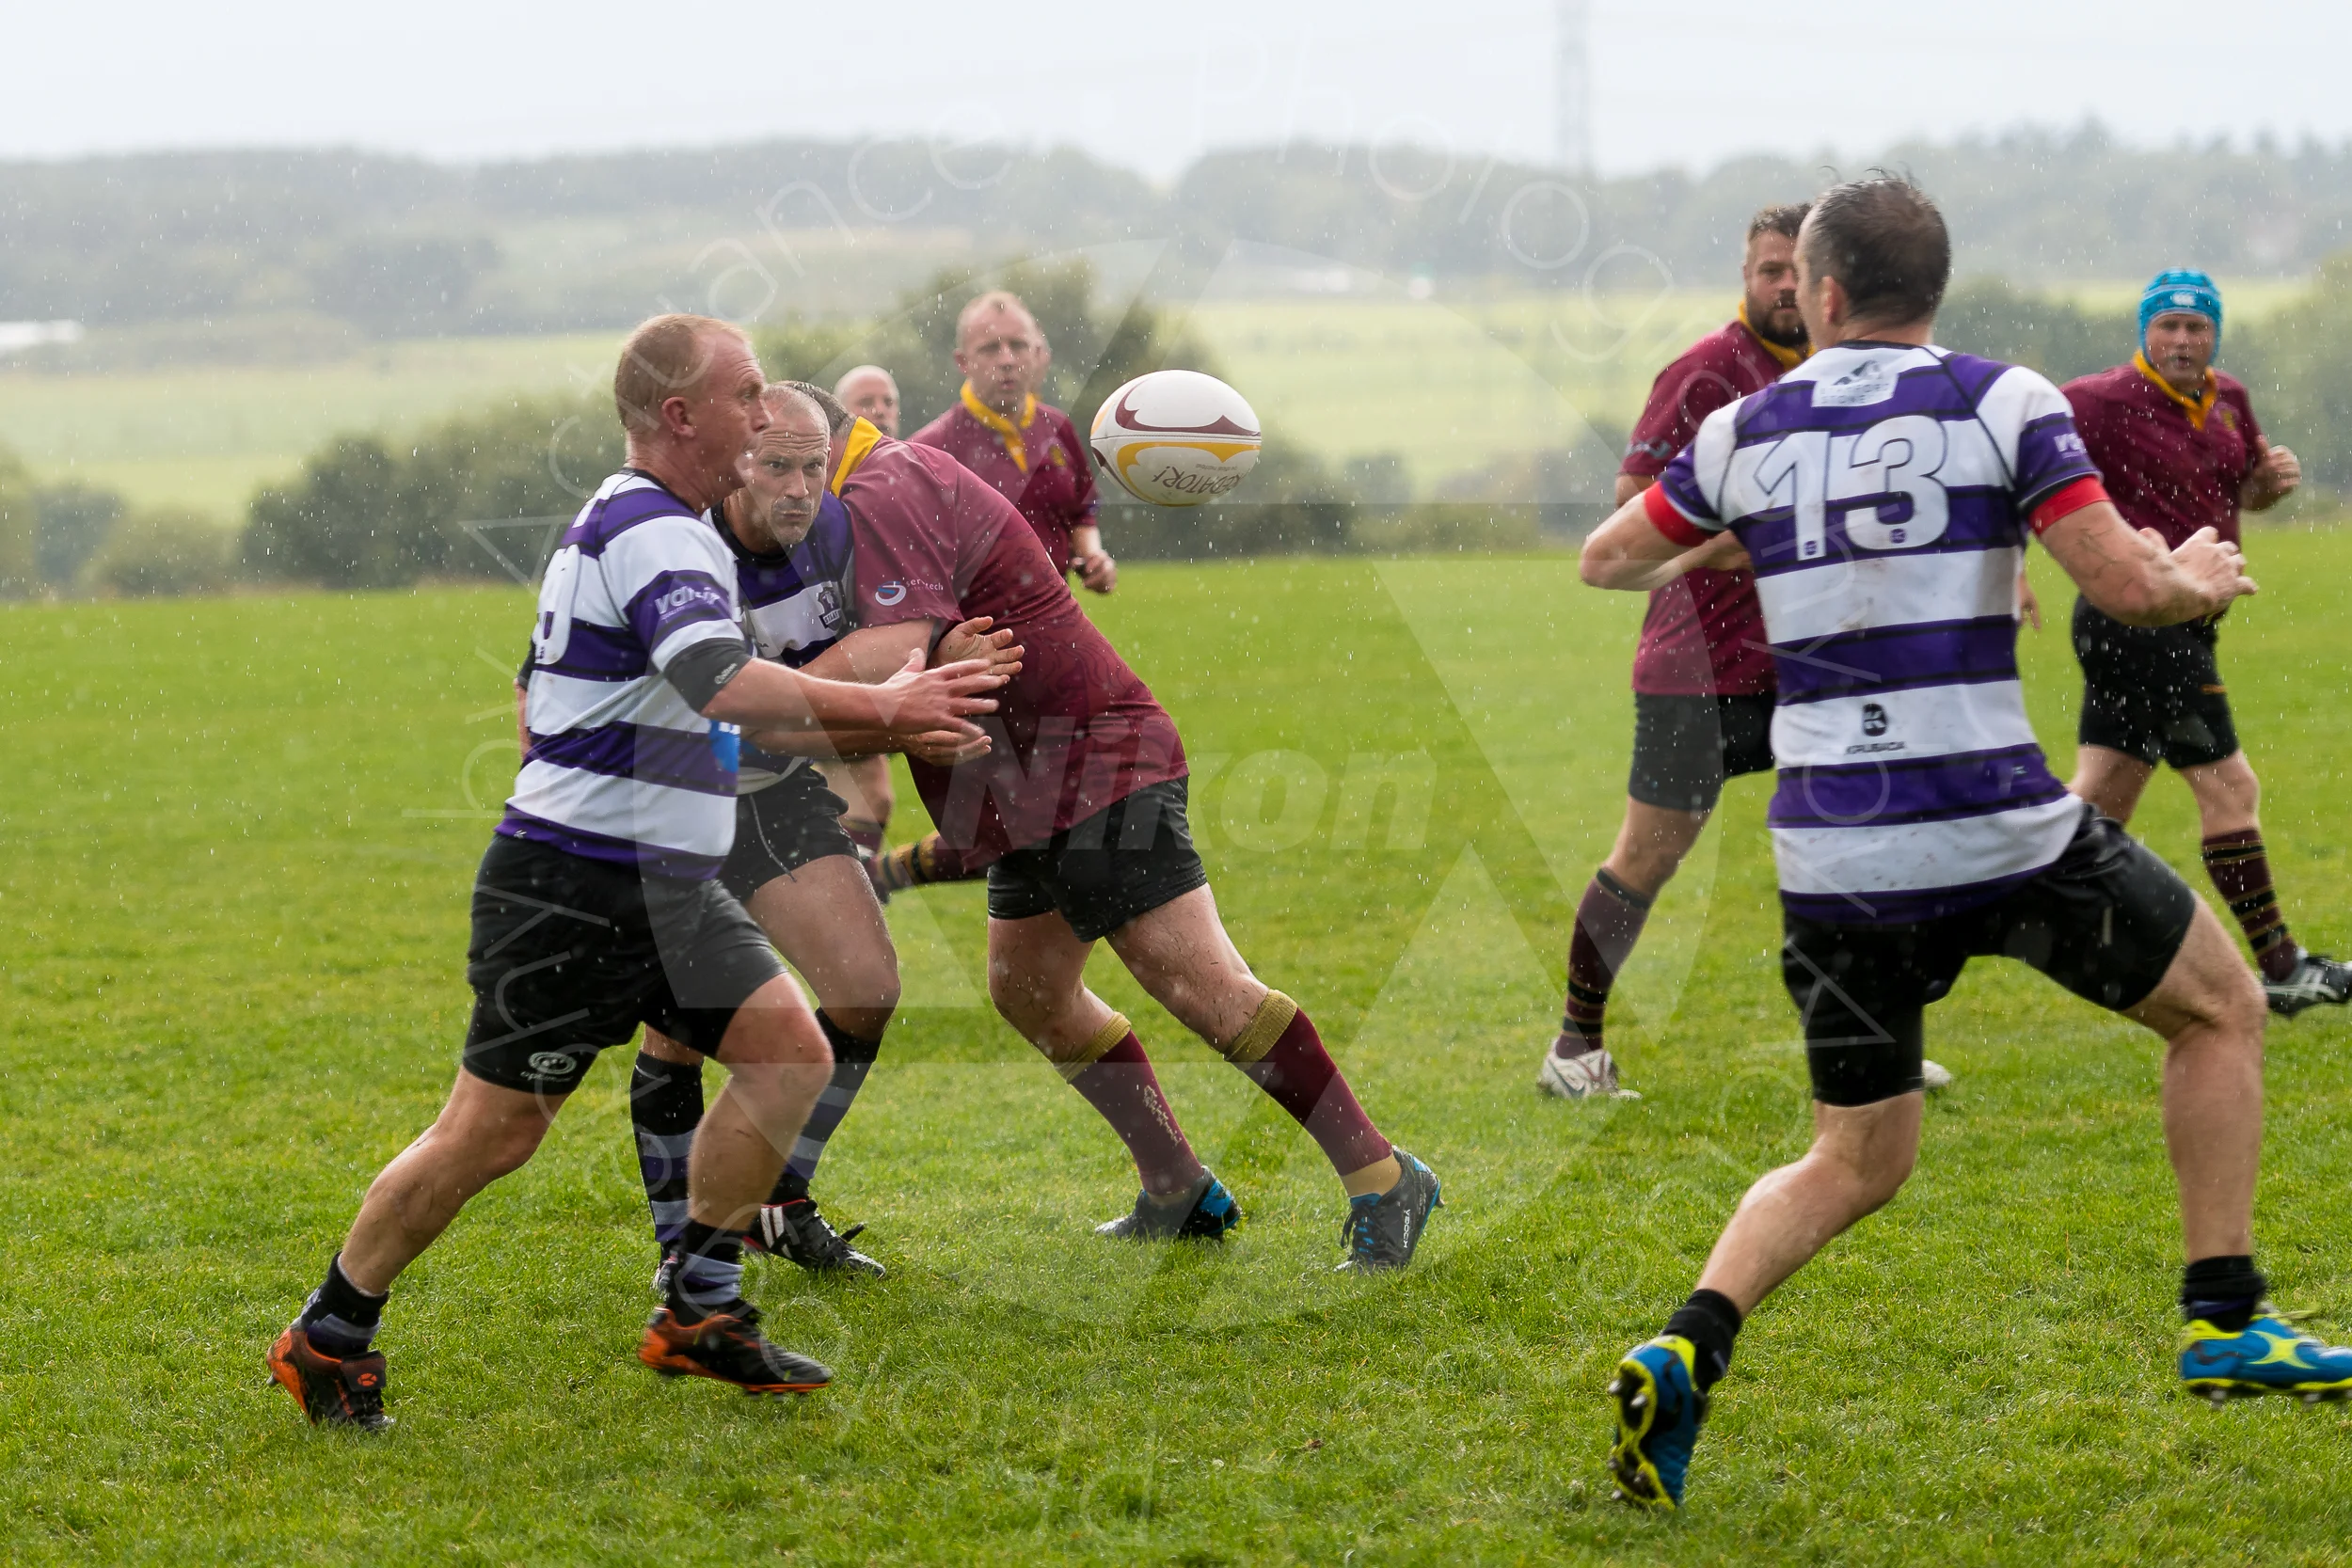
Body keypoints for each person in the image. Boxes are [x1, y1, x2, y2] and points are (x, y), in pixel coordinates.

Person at [1577, 178, 2352, 1513]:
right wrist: (2199, 575)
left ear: (1819, 292)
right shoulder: (2004, 399)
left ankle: (1685, 1340)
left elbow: (1606, 558)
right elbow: (2122, 582)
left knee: (1854, 1154)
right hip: (1997, 830)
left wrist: (1747, 538)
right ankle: (2225, 1310)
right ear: (1930, 291)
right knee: (2223, 1008)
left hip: (1833, 855)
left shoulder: (1747, 426)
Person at [265, 316, 1009, 1428]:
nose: (764, 415)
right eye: (747, 394)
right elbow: (718, 679)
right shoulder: (654, 529)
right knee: (492, 1132)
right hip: (572, 887)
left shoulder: (657, 525)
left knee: (787, 1051)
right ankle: (328, 1331)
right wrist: (888, 710)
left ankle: (699, 1308)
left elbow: (617, 701)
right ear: (680, 415)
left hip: (657, 880)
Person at [807, 386, 1442, 1270]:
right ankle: (1177, 1187)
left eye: (776, 462)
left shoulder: (878, 484)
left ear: (815, 444)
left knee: (1205, 988)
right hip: (1024, 776)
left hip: (1087, 761)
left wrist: (742, 691)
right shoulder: (876, 479)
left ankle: (1383, 1177)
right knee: (1030, 988)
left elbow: (899, 655)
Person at [1540, 203, 1963, 1101]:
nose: (1782, 286)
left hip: (1825, 663)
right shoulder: (1703, 375)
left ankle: (1875, 1039)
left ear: (1824, 285)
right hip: (1702, 671)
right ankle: (1575, 1047)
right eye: (1768, 268)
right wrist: (1760, 536)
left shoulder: (1854, 375)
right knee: (1647, 858)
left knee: (1864, 845)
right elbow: (1631, 503)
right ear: (1749, 273)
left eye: (1794, 272)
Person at [626, 386, 1021, 1283]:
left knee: (864, 986)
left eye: (814, 464)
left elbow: (892, 657)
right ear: (733, 464)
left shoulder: (845, 536)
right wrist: (894, 719)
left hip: (774, 795)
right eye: (775, 465)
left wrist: (946, 666)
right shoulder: (682, 551)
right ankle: (681, 1250)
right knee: (681, 1031)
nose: (800, 487)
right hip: (672, 802)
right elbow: (741, 716)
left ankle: (782, 1197)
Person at [2060, 273, 2349, 1016]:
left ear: (2214, 332)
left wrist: (2265, 486)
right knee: (2230, 789)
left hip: (2184, 621)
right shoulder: (2098, 401)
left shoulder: (2231, 400)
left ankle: (2008, 920)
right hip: (2140, 619)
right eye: (2168, 327)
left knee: (2098, 801)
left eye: (2196, 326)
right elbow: (2028, 462)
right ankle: (2281, 965)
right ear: (2144, 331)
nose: (2183, 340)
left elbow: (2238, 492)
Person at [880, 290, 1120, 899]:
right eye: (991, 347)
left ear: (1040, 354)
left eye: (1019, 345)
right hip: (981, 661)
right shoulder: (931, 452)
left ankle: (893, 872)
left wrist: (1091, 551)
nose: (1007, 358)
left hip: (1056, 651)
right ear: (963, 360)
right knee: (1014, 823)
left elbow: (1080, 503)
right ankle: (890, 871)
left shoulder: (1058, 428)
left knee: (1043, 821)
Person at [818, 364, 907, 879]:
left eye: (887, 400)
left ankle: (851, 888)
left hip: (881, 653)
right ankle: (851, 891)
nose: (879, 411)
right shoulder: (822, 485)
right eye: (865, 402)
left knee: (871, 796)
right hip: (838, 652)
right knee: (865, 793)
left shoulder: (909, 469)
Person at [834, 364, 902, 438]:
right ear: (840, 416)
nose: (880, 411)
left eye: (888, 402)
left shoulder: (913, 449)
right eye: (866, 403)